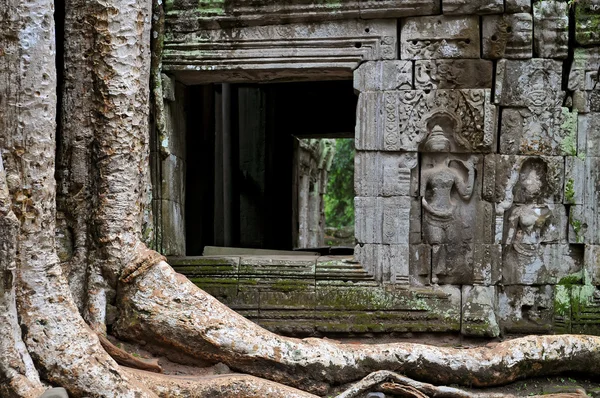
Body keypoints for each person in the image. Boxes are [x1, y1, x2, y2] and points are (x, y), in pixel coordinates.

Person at [421, 125, 475, 284]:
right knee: (436, 245)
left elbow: (466, 194)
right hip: (432, 214)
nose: (438, 155)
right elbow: (421, 197)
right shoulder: (426, 174)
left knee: (452, 246)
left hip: (450, 214)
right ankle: (432, 275)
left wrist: (471, 172)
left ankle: (446, 273)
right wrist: (429, 209)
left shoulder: (453, 174)